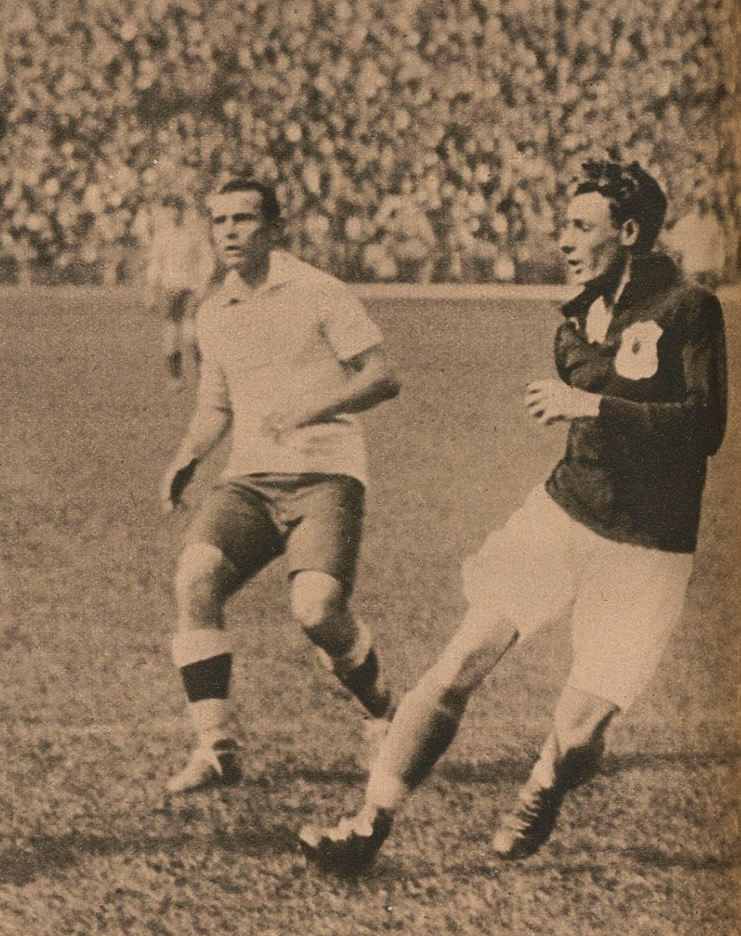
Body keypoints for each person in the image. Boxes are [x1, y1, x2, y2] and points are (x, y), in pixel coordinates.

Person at [301, 158, 728, 875]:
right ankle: (366, 824)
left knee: (579, 733)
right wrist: (589, 408)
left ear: (628, 233)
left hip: (649, 548)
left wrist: (594, 405)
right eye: (565, 225)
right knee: (458, 663)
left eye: (580, 226)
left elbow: (706, 426)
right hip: (562, 516)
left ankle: (546, 783)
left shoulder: (690, 309)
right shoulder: (573, 321)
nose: (563, 240)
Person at [160, 178, 401, 794]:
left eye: (243, 219)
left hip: (325, 476)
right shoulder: (213, 310)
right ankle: (216, 748)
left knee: (317, 611)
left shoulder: (319, 291)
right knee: (194, 579)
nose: (230, 232)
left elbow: (382, 376)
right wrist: (187, 457)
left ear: (272, 228)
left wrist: (311, 410)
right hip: (248, 481)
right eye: (220, 221)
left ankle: (382, 715)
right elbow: (215, 404)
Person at [144, 194, 215, 384]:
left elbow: (207, 259)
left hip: (191, 289)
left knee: (191, 334)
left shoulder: (194, 232)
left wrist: (203, 285)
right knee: (171, 334)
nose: (173, 214)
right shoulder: (162, 235)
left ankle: (203, 373)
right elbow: (155, 264)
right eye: (169, 210)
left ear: (182, 211)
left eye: (176, 209)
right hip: (171, 289)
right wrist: (151, 291)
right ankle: (175, 377)